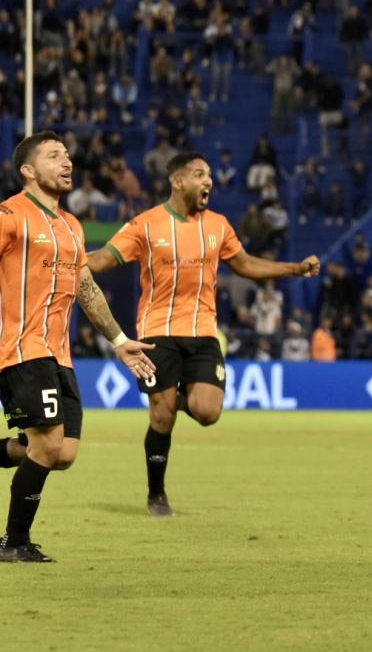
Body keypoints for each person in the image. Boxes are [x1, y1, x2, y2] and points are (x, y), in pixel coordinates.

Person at [87, 153, 320, 517]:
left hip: (203, 333)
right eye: (199, 174)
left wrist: (292, 268)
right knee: (162, 419)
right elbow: (104, 259)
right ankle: (157, 494)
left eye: (209, 175)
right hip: (157, 332)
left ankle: (169, 396)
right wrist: (63, 260)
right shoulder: (146, 225)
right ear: (178, 181)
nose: (208, 181)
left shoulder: (218, 225)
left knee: (208, 411)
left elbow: (243, 264)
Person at [0, 132, 156, 562]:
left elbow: (86, 287)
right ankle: (14, 543)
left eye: (67, 155)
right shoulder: (10, 215)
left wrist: (120, 340)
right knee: (47, 446)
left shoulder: (72, 226)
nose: (67, 162)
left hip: (59, 356)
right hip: (22, 350)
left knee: (62, 453)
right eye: (54, 156)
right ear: (28, 171)